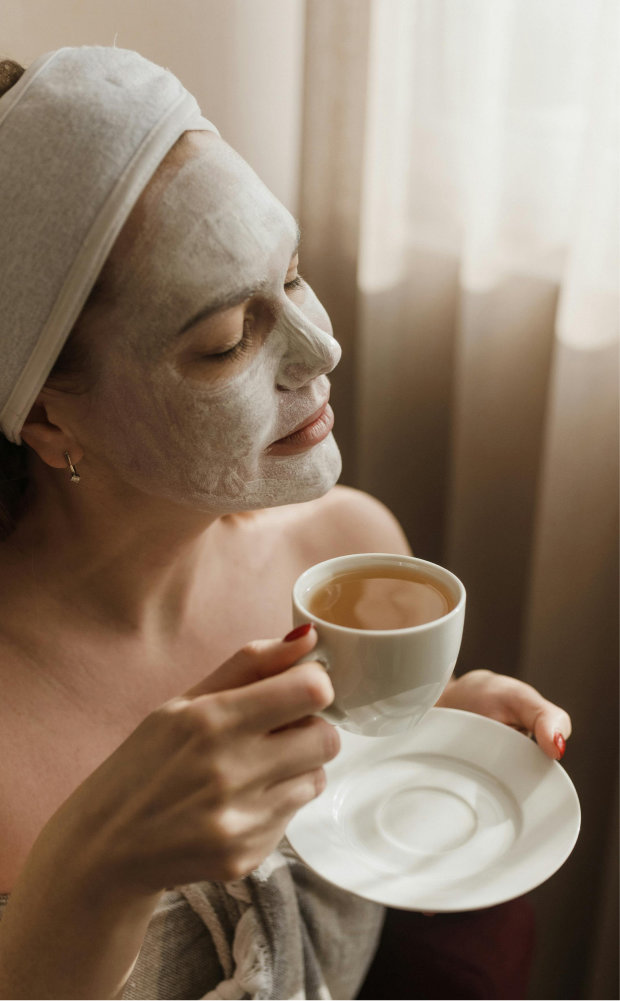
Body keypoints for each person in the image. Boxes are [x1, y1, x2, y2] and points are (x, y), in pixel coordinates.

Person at [0, 47, 571, 1000]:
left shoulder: (344, 555)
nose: (324, 346)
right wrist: (97, 868)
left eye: (294, 275)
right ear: (51, 420)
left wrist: (425, 748)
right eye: (227, 341)